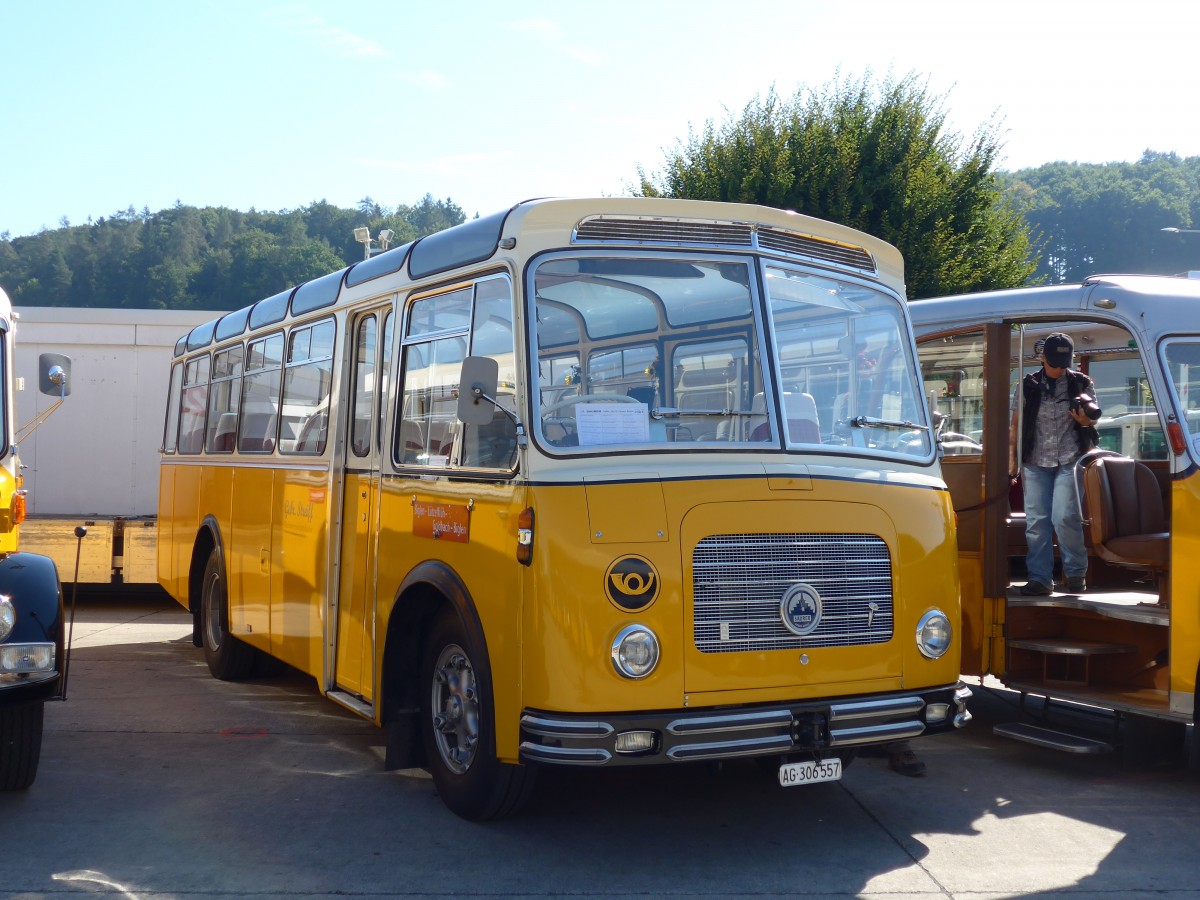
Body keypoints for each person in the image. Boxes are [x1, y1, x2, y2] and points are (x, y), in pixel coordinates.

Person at [1009, 332, 1101, 595]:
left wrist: (1085, 421)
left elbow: (1093, 421)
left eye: (1064, 363)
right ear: (1043, 358)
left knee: (1065, 517)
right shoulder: (1026, 385)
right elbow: (1015, 426)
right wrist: (1011, 462)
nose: (1060, 368)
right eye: (1055, 363)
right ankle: (1040, 579)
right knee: (1037, 521)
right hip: (1035, 459)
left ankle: (1075, 575)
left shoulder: (1082, 383)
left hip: (1070, 459)